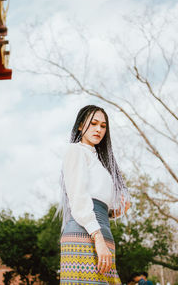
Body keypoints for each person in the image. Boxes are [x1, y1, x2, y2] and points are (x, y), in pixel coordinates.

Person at [58, 105, 130, 284]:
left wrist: (116, 211)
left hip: (103, 232)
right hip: (85, 234)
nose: (99, 129)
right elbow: (79, 198)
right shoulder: (75, 151)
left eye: (103, 126)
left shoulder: (102, 163)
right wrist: (98, 238)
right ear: (81, 125)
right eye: (94, 123)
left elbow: (99, 202)